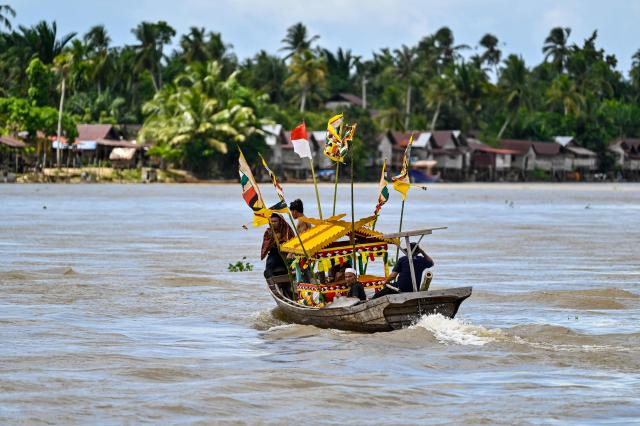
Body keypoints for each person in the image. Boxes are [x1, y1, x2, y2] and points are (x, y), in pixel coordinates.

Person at [261, 213, 294, 279]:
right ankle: (273, 283)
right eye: (271, 221)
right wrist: (273, 239)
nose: (273, 223)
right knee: (268, 268)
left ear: (280, 222)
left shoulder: (287, 229)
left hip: (286, 252)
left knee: (295, 266)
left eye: (275, 221)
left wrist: (282, 243)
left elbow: (293, 242)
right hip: (274, 253)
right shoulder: (268, 232)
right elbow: (265, 245)